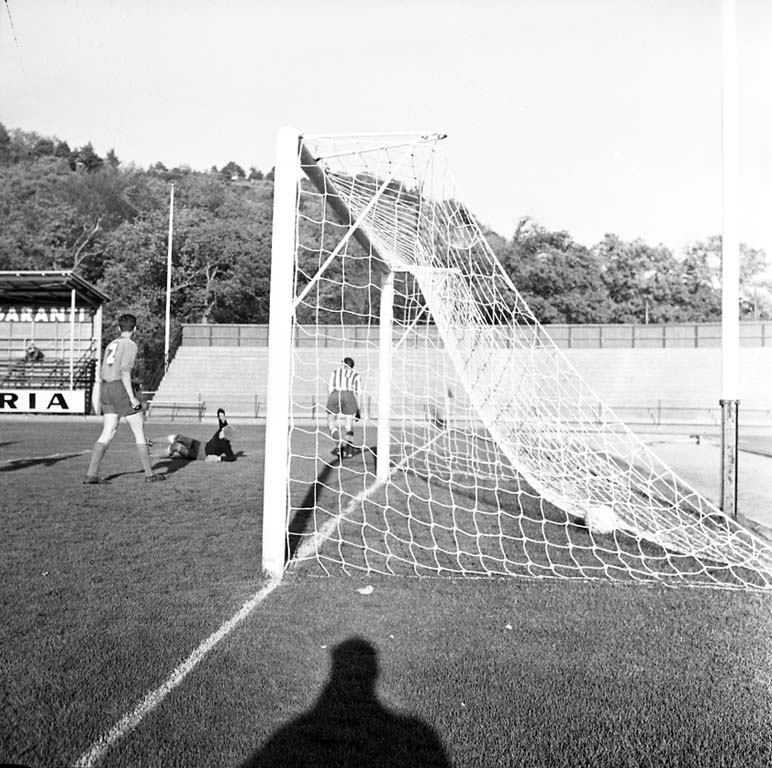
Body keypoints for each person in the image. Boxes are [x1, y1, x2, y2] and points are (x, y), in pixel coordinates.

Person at [83, 313, 165, 484]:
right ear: (135, 328)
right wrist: (132, 398)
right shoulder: (130, 344)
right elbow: (125, 372)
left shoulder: (111, 344)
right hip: (119, 388)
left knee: (108, 431)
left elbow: (105, 369)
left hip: (106, 387)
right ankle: (149, 474)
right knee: (138, 428)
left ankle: (91, 474)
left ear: (119, 328)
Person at [326, 357, 362, 458]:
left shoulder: (335, 372)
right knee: (348, 425)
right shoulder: (356, 375)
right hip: (349, 395)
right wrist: (358, 409)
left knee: (331, 422)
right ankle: (349, 451)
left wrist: (330, 401)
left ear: (343, 364)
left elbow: (330, 388)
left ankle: (339, 445)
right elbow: (358, 393)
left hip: (335, 394)